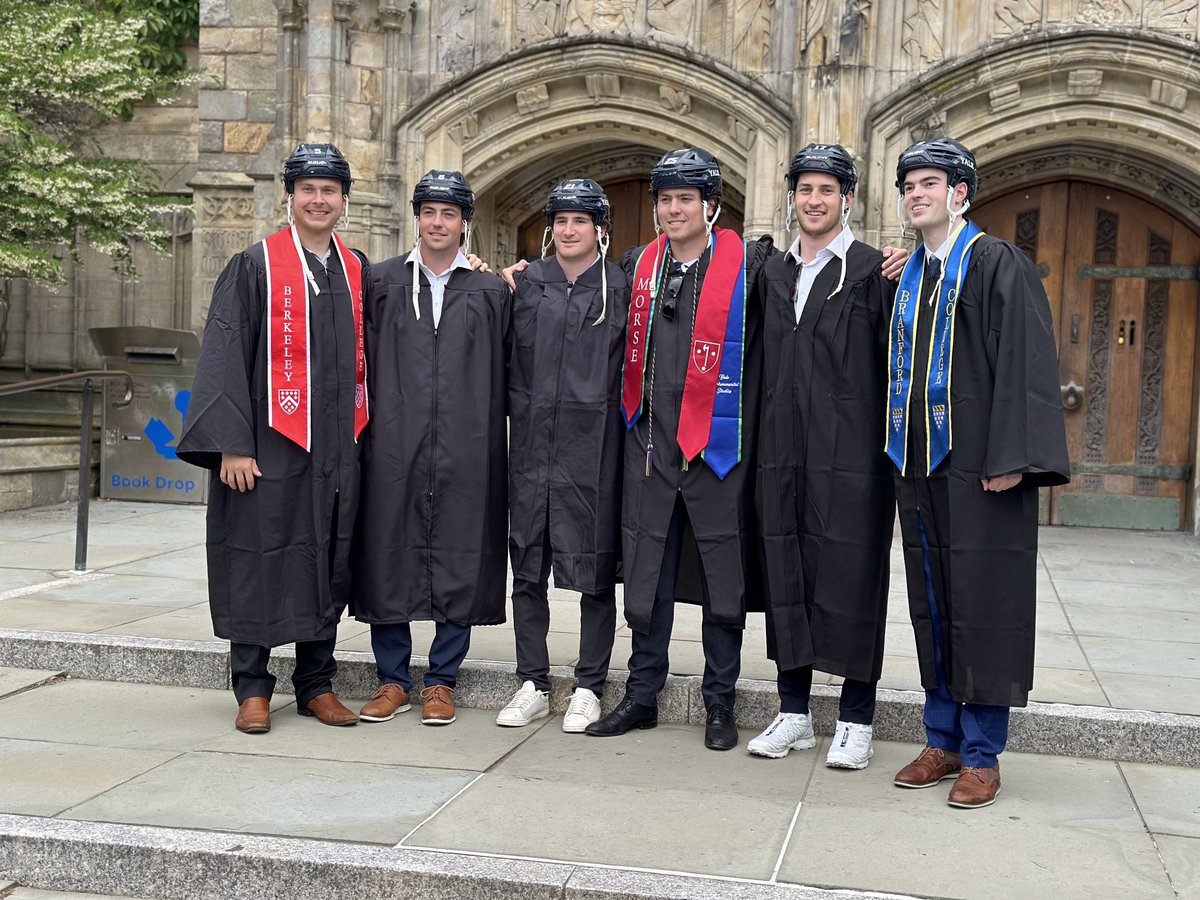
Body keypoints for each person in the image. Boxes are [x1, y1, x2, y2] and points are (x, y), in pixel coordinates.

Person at [887, 138, 1069, 807]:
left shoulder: (996, 264)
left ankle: (984, 754)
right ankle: (942, 738)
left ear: (961, 192)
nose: (916, 194)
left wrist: (1009, 460)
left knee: (985, 606)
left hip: (984, 473)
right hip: (921, 469)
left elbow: (1025, 366)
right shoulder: (911, 275)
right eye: (908, 185)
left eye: (930, 182)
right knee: (934, 605)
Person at [584, 148, 775, 751]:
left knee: (723, 579)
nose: (672, 209)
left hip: (720, 451)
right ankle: (642, 696)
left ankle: (721, 703)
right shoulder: (638, 267)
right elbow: (575, 279)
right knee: (648, 577)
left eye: (684, 199)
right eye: (664, 199)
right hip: (651, 448)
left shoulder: (750, 270)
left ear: (710, 205)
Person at [178, 143, 368, 733]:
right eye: (307, 189)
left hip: (338, 449)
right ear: (288, 196)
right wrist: (231, 442)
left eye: (329, 190)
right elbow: (224, 352)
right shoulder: (255, 265)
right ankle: (253, 688)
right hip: (266, 444)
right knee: (258, 555)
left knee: (326, 556)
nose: (318, 199)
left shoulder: (357, 269)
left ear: (343, 201)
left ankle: (316, 683)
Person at [747, 144, 897, 769]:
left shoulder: (875, 271)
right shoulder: (773, 273)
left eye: (826, 190)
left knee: (854, 576)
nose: (814, 200)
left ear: (847, 199)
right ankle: (794, 712)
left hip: (854, 456)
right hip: (782, 450)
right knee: (785, 569)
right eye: (804, 189)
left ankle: (856, 718)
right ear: (792, 198)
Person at [352, 170, 511, 727]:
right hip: (394, 442)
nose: (438, 222)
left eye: (449, 213)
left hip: (468, 446)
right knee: (387, 552)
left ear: (466, 223)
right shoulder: (381, 282)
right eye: (429, 212)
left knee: (461, 553)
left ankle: (442, 679)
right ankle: (393, 679)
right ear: (416, 218)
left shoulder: (491, 292)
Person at [496, 179, 628, 733]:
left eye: (582, 221)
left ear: (601, 229)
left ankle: (590, 684)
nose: (570, 231)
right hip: (531, 448)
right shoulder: (525, 284)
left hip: (593, 452)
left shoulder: (622, 286)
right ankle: (532, 680)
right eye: (562, 221)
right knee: (527, 566)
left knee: (595, 571)